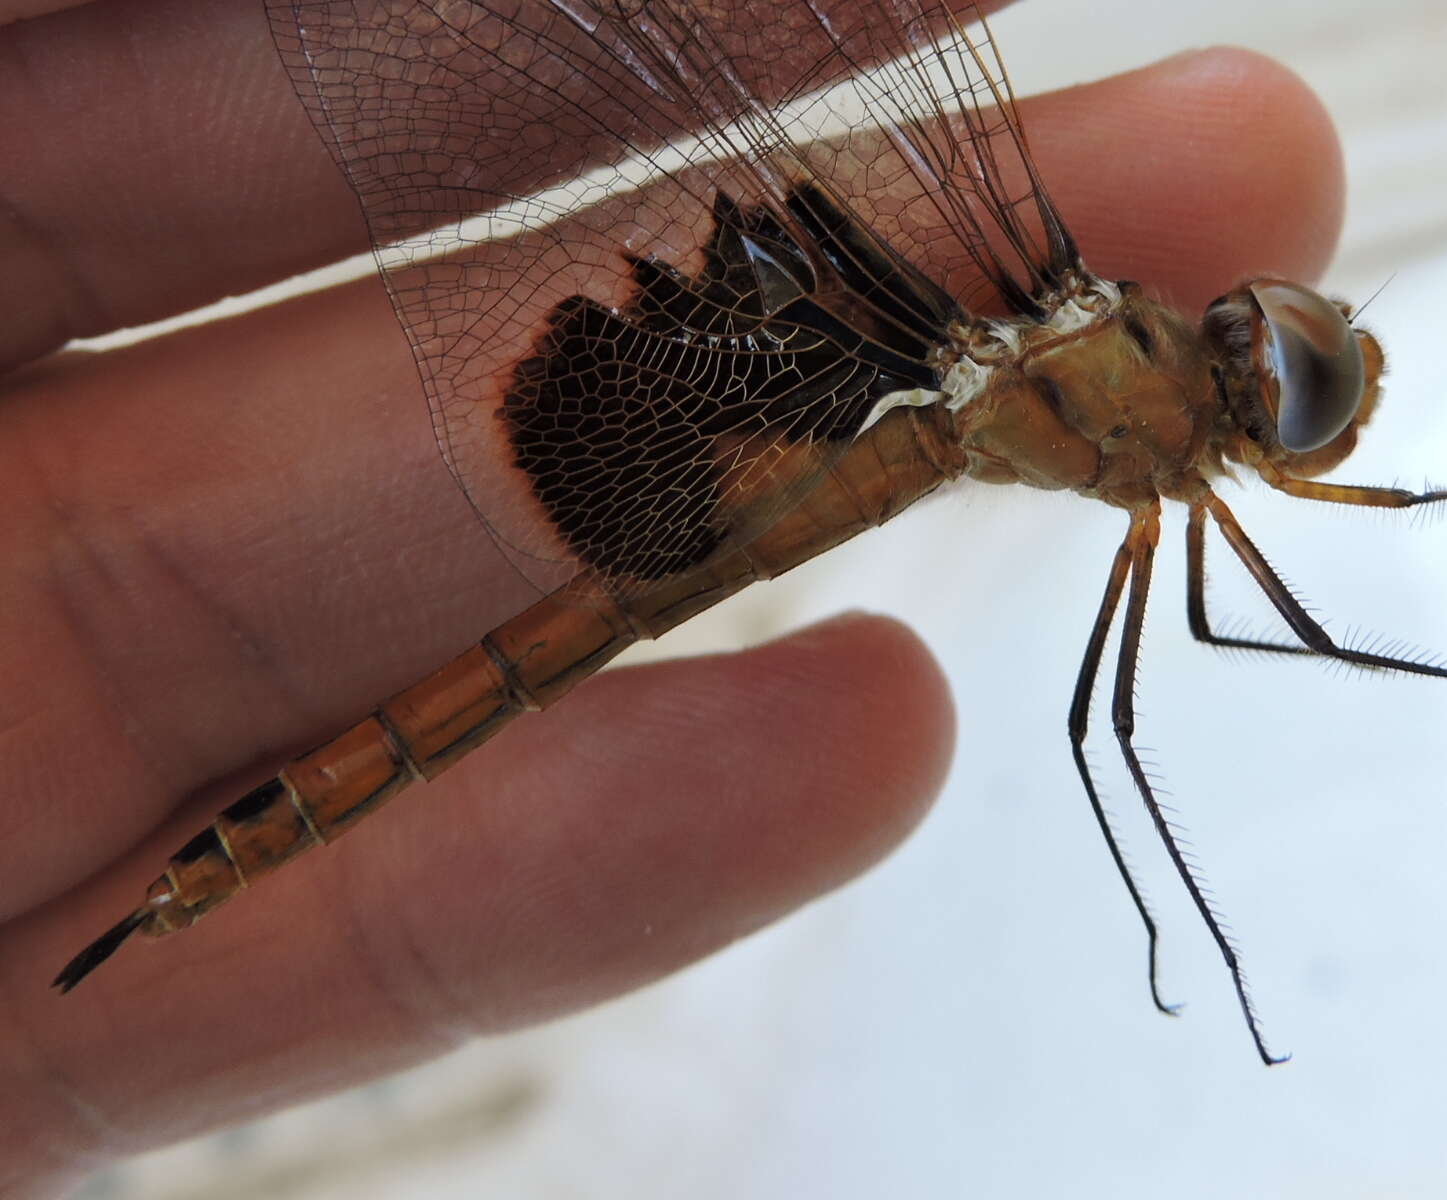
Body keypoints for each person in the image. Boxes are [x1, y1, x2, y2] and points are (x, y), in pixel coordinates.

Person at [0, 1, 1343, 1190]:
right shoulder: (1175, 468)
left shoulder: (1118, 373)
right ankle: (1201, 943)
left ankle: (1193, 941)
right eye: (1280, 356)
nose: (1256, 347)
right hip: (802, 442)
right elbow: (1206, 641)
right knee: (1092, 724)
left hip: (838, 422)